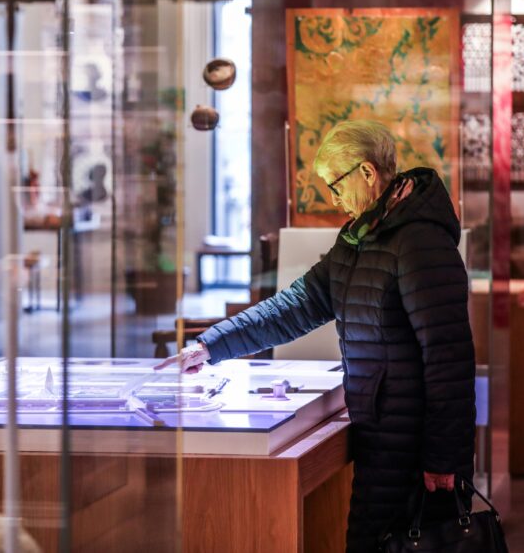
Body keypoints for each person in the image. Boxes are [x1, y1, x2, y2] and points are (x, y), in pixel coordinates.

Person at [157, 120, 476, 552]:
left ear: (368, 173)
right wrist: (211, 345)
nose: (334, 197)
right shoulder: (359, 237)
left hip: (415, 452)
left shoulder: (420, 241)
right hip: (379, 438)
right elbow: (294, 306)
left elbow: (449, 357)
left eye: (337, 183)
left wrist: (444, 457)